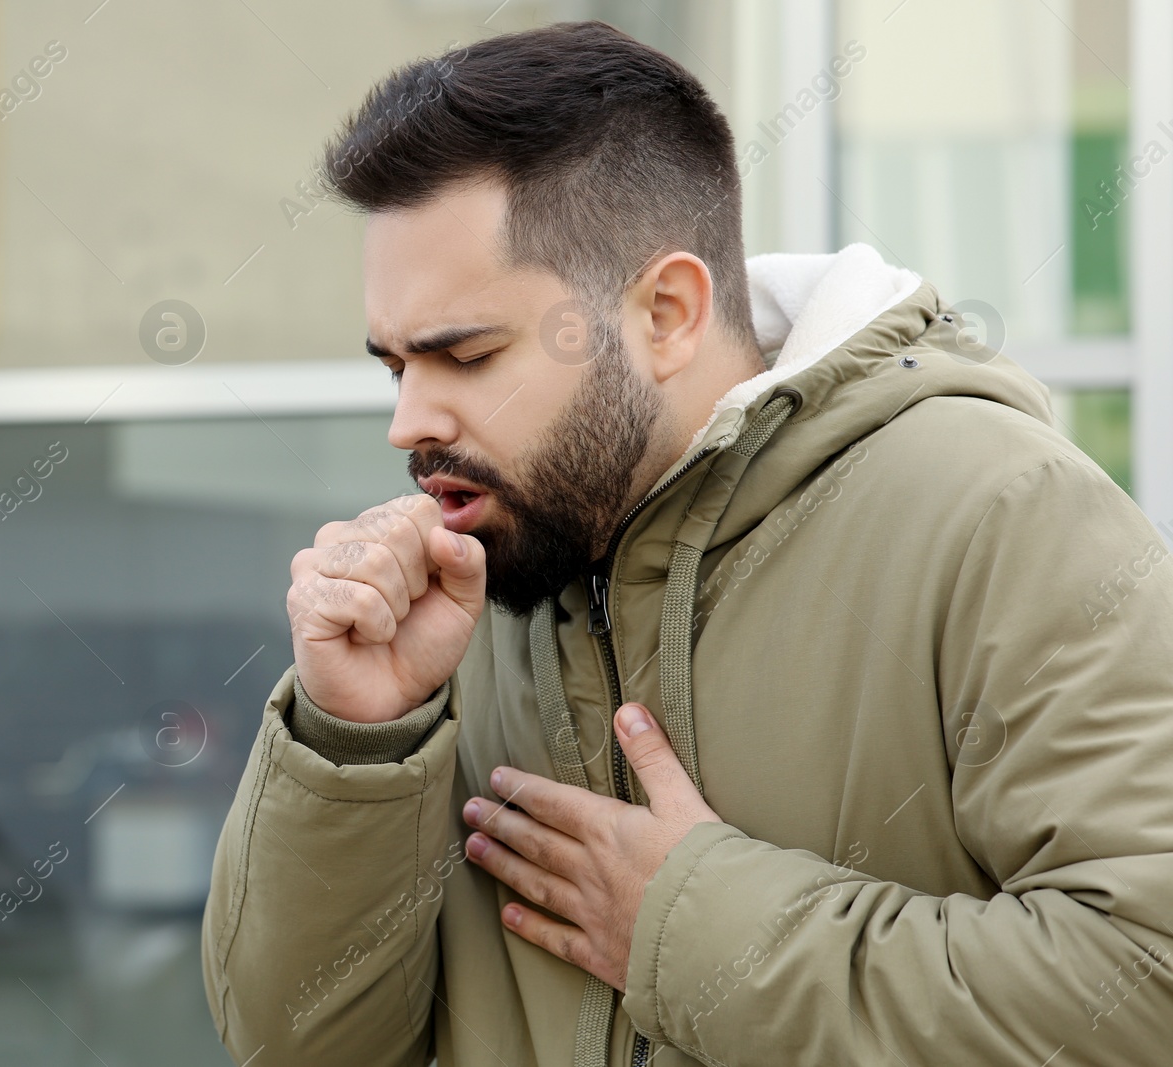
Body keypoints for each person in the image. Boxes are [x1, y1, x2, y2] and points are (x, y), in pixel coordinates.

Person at [200, 20, 1173, 1067]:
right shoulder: (465, 582)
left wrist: (689, 929)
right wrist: (356, 741)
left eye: (466, 356)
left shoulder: (1000, 513)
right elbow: (294, 1046)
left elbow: (1143, 983)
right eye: (396, 366)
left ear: (666, 311)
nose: (408, 423)